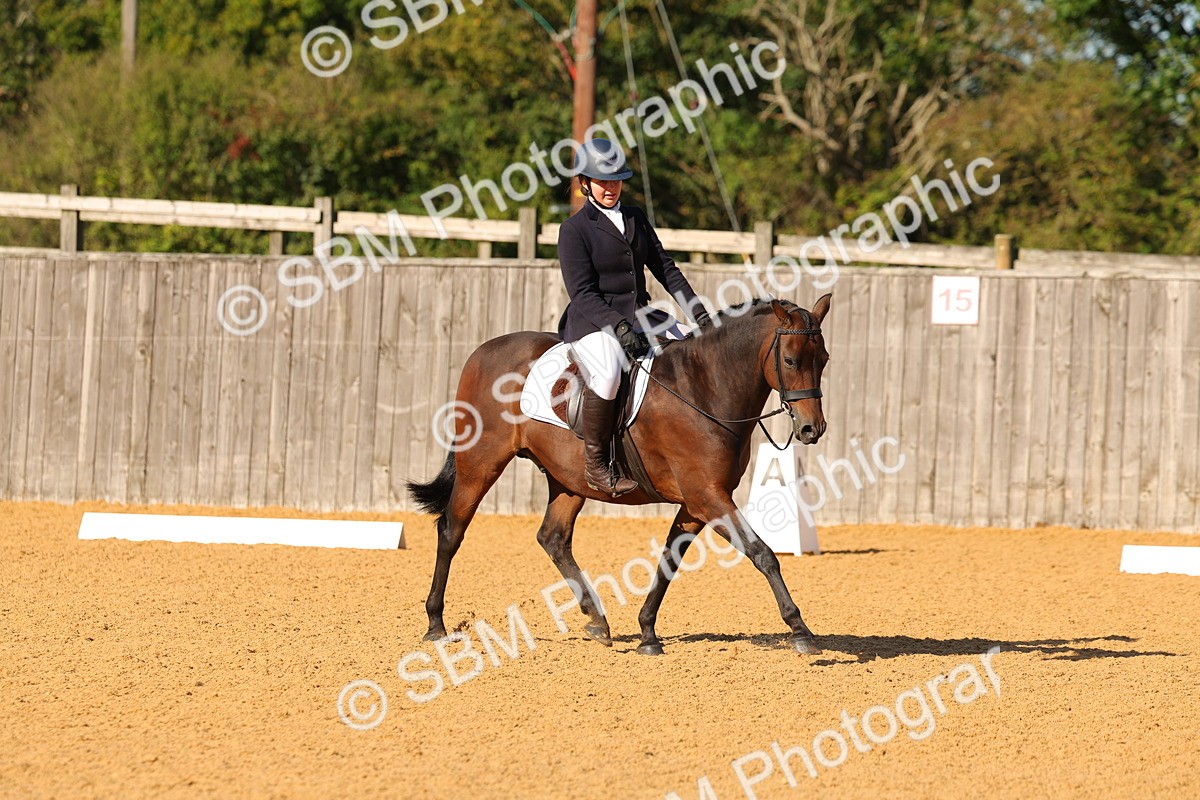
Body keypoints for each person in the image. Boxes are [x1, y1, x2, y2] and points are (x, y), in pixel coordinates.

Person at [556, 138, 710, 496]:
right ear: (585, 183)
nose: (611, 188)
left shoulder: (635, 217)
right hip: (592, 322)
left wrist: (698, 312)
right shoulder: (574, 231)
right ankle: (596, 466)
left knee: (693, 346)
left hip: (640, 315)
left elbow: (666, 269)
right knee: (609, 372)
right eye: (602, 181)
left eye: (616, 180)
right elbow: (582, 293)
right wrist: (619, 325)